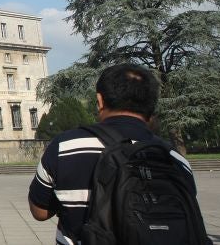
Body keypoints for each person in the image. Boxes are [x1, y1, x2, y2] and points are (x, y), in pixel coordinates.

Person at [28, 63, 204, 245]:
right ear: (151, 104)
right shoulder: (175, 158)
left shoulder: (65, 147)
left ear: (100, 100)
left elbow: (39, 212)